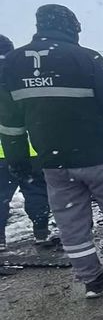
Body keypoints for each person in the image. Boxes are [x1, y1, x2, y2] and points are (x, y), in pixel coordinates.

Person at [0, 5, 103, 300]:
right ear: (70, 26)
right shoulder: (85, 58)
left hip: (55, 164)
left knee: (71, 224)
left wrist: (17, 158)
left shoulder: (13, 64)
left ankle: (94, 282)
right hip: (102, 159)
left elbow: (10, 123)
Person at [0, 35, 51, 251]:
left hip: (2, 153)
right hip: (29, 148)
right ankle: (41, 233)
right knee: (36, 191)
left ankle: (0, 242)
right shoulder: (22, 76)